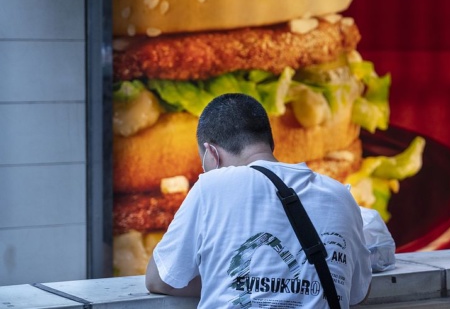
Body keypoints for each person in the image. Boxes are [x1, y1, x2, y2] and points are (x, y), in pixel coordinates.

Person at [145, 93, 372, 308]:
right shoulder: (340, 195)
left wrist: (233, 282)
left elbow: (160, 279)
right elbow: (356, 291)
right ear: (270, 144)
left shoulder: (211, 186)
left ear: (211, 153)